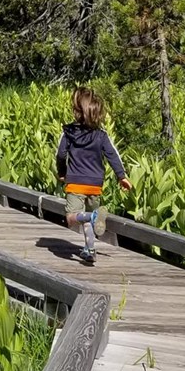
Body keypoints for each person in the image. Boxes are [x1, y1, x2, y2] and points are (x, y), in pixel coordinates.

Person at [55, 87, 130, 265]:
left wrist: (62, 173)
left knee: (72, 218)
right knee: (88, 218)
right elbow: (113, 155)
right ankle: (90, 250)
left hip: (76, 183)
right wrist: (122, 176)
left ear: (76, 111)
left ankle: (92, 218)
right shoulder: (102, 135)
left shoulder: (68, 133)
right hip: (95, 186)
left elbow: (60, 155)